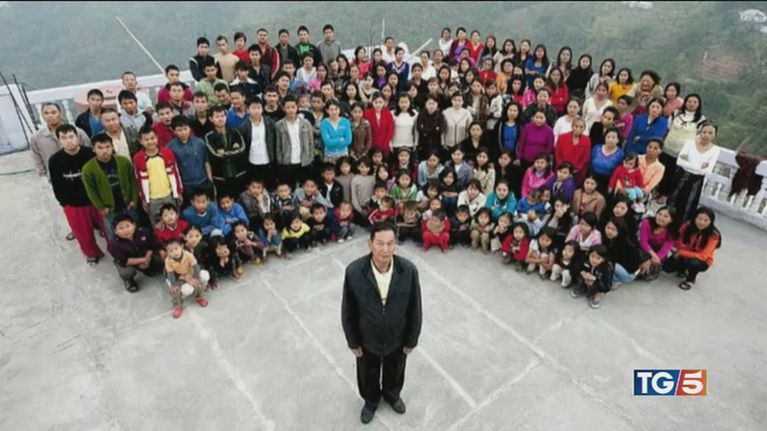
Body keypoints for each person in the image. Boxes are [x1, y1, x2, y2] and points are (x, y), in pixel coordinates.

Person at [341, 221, 422, 424]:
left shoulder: (408, 271)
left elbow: (415, 308)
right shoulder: (354, 272)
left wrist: (411, 339)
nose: (385, 249)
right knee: (367, 373)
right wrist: (353, 341)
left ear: (395, 245)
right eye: (379, 243)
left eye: (390, 243)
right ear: (370, 244)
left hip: (397, 337)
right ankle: (371, 401)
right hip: (367, 339)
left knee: (395, 370)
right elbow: (348, 310)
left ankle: (392, 395)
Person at [49, 124, 105, 265]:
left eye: (71, 136)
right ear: (59, 140)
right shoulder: (54, 160)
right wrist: (64, 203)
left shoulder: (90, 154)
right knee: (82, 233)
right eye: (64, 138)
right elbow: (56, 184)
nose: (68, 141)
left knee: (108, 227)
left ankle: (118, 252)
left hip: (96, 201)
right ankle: (92, 253)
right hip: (73, 204)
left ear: (77, 137)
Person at [81, 133, 139, 241]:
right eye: (100, 148)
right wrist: (101, 207)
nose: (104, 151)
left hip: (128, 205)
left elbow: (132, 180)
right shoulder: (88, 169)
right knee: (114, 235)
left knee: (135, 230)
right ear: (93, 149)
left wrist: (134, 199)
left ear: (112, 147)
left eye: (107, 147)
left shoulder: (123, 161)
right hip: (109, 209)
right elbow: (91, 190)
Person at [669, 122, 721, 222]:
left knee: (688, 205)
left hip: (696, 181)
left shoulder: (715, 150)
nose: (706, 135)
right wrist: (699, 165)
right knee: (673, 200)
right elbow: (679, 161)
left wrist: (689, 162)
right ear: (700, 132)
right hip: (682, 176)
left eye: (710, 133)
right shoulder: (690, 143)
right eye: (704, 132)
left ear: (715, 135)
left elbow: (707, 170)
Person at [133, 126, 184, 226]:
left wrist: (178, 191)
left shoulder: (167, 152)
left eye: (152, 138)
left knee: (174, 221)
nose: (150, 142)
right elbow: (138, 180)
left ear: (157, 137)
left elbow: (176, 173)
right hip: (153, 199)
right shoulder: (138, 158)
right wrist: (143, 199)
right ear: (141, 141)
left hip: (169, 195)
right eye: (146, 139)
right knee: (157, 225)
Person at [663, 206, 721, 290]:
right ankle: (682, 269)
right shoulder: (687, 225)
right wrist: (673, 249)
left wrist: (681, 252)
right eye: (699, 218)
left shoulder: (714, 235)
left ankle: (690, 279)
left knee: (694, 263)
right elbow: (677, 239)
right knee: (666, 267)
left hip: (700, 260)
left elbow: (704, 255)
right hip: (684, 254)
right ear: (695, 217)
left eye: (706, 220)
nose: (702, 222)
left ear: (711, 221)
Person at [30, 102, 91, 177]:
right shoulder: (37, 138)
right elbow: (37, 159)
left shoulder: (77, 132)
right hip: (54, 176)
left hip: (80, 173)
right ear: (42, 115)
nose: (50, 116)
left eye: (53, 112)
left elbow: (89, 150)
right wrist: (44, 176)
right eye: (46, 113)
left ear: (60, 113)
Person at [108, 214, 163, 292]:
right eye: (121, 228)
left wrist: (147, 258)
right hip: (129, 262)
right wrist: (144, 260)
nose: (126, 230)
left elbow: (151, 245)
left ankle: (147, 269)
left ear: (134, 225)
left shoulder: (143, 232)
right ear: (115, 231)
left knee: (158, 260)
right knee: (127, 272)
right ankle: (129, 281)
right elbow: (124, 261)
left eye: (128, 226)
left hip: (144, 255)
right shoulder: (113, 244)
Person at [167, 116, 214, 205]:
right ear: (174, 131)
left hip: (203, 182)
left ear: (190, 129)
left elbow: (206, 161)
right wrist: (178, 190)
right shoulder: (170, 148)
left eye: (185, 129)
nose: (183, 132)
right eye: (179, 130)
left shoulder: (199, 142)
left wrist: (210, 180)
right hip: (186, 187)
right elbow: (173, 171)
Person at [205, 105, 248, 196]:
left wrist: (224, 152)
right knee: (224, 200)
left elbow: (242, 150)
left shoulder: (235, 132)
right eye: (217, 117)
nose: (220, 119)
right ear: (211, 119)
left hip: (238, 174)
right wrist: (233, 150)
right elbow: (215, 155)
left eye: (222, 116)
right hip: (220, 177)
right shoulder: (209, 136)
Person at [275, 95, 315, 188]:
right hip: (287, 161)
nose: (291, 110)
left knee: (304, 187)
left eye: (293, 107)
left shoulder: (305, 123)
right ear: (283, 108)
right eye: (288, 107)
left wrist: (310, 157)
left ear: (297, 107)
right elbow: (278, 145)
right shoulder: (279, 125)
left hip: (304, 161)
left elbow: (311, 142)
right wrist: (280, 160)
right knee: (289, 186)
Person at [164, 239, 209, 319]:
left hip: (190, 273)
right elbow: (170, 274)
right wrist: (173, 285)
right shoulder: (168, 260)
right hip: (179, 277)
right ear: (168, 253)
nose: (175, 252)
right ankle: (177, 306)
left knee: (198, 283)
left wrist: (196, 278)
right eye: (171, 251)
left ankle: (199, 297)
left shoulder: (188, 255)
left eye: (176, 249)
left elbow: (195, 267)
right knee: (174, 290)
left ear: (181, 247)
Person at [239, 97, 277, 187]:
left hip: (268, 160)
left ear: (262, 109)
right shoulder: (243, 127)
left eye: (259, 107)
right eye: (253, 108)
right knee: (256, 186)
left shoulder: (270, 123)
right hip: (252, 161)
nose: (256, 110)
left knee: (269, 186)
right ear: (248, 109)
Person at [570, 244, 613, 309]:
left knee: (598, 285)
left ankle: (597, 294)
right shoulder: (585, 259)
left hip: (597, 283)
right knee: (579, 276)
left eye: (598, 258)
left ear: (603, 259)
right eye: (592, 256)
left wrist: (595, 279)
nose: (594, 260)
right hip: (585, 279)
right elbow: (574, 268)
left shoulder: (607, 267)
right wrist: (582, 273)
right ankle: (582, 288)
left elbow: (607, 286)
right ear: (588, 255)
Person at [555, 118, 591, 185]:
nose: (578, 129)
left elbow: (585, 157)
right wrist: (562, 167)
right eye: (576, 126)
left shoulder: (586, 140)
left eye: (581, 127)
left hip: (577, 172)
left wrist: (577, 168)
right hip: (562, 170)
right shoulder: (562, 137)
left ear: (584, 129)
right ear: (572, 126)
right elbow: (557, 153)